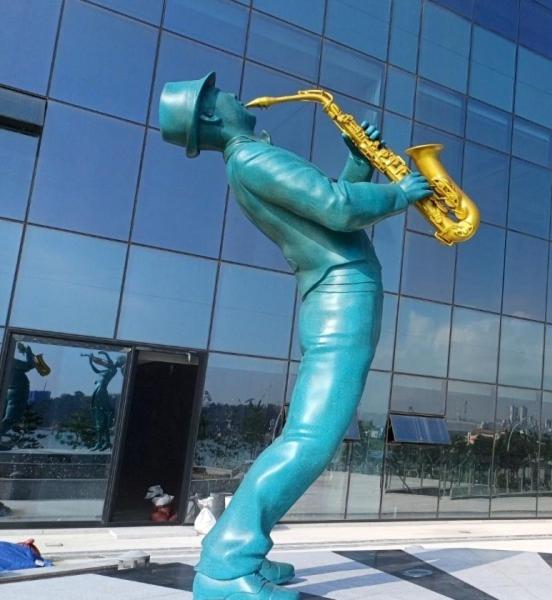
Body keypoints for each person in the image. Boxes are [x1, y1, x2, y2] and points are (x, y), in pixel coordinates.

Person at [159, 73, 432, 600]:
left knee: (306, 435)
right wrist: (398, 194)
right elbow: (339, 209)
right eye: (222, 94)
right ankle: (226, 566)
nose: (236, 95)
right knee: (310, 438)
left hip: (336, 290)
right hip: (341, 294)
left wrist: (358, 163)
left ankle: (240, 549)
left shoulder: (248, 162)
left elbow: (327, 216)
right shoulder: (254, 159)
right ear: (211, 115)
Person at [84, 351, 124, 451]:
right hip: (97, 392)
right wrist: (90, 362)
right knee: (101, 418)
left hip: (101, 393)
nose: (115, 361)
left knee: (100, 417)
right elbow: (96, 370)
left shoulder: (113, 370)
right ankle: (106, 442)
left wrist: (105, 354)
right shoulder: (106, 371)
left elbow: (110, 363)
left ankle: (100, 443)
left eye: (117, 360)